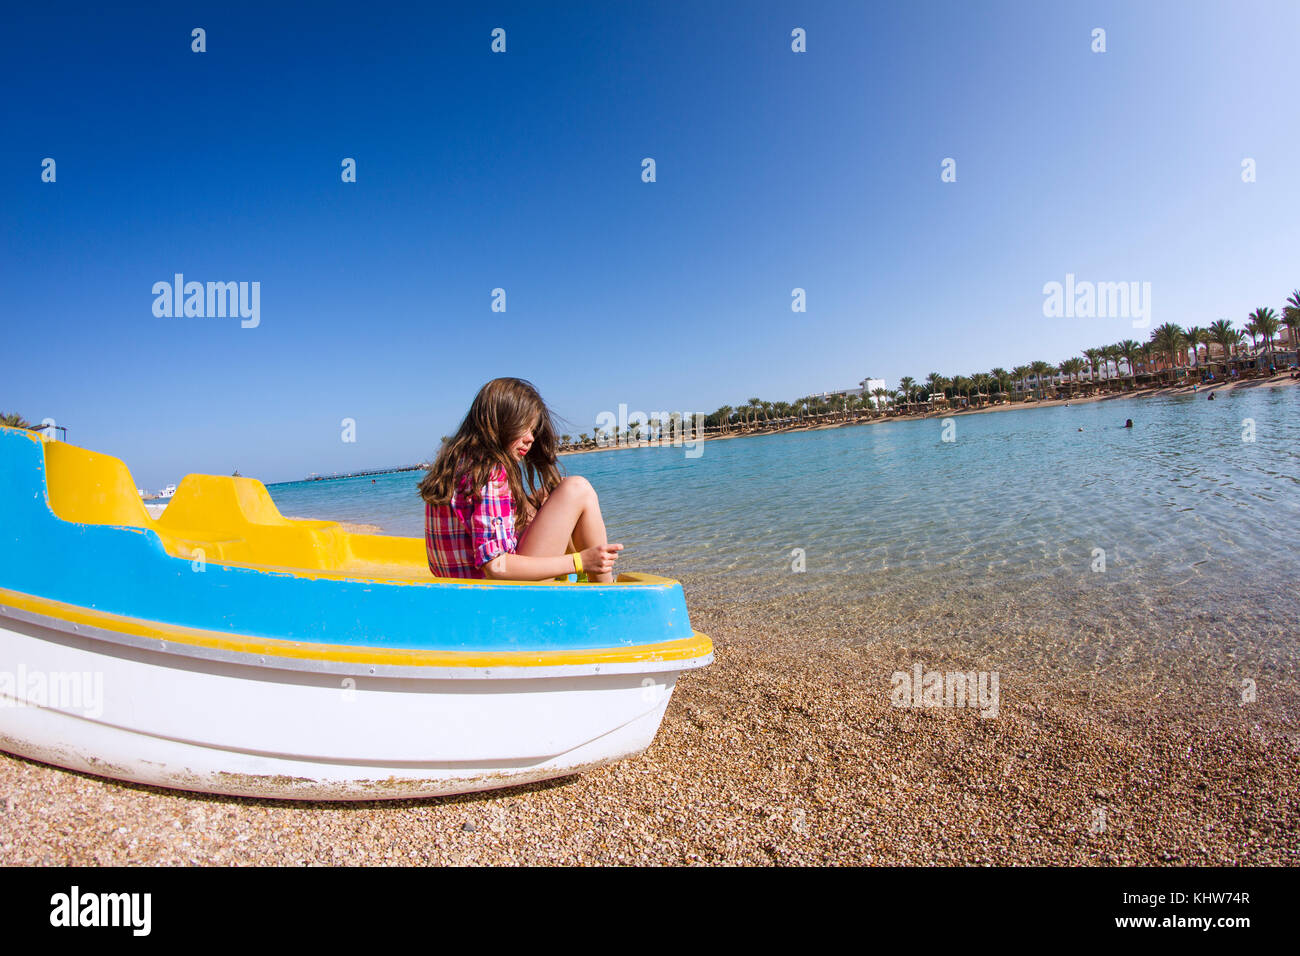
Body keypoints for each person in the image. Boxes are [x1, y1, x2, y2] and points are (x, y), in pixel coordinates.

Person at [418, 377, 623, 582]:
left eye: (533, 430)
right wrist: (579, 561)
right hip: (502, 596)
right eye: (524, 427)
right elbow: (495, 566)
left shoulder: (460, 462)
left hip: (461, 592)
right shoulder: (490, 471)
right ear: (501, 422)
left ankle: (576, 580)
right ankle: (605, 593)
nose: (531, 438)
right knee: (577, 489)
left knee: (551, 494)